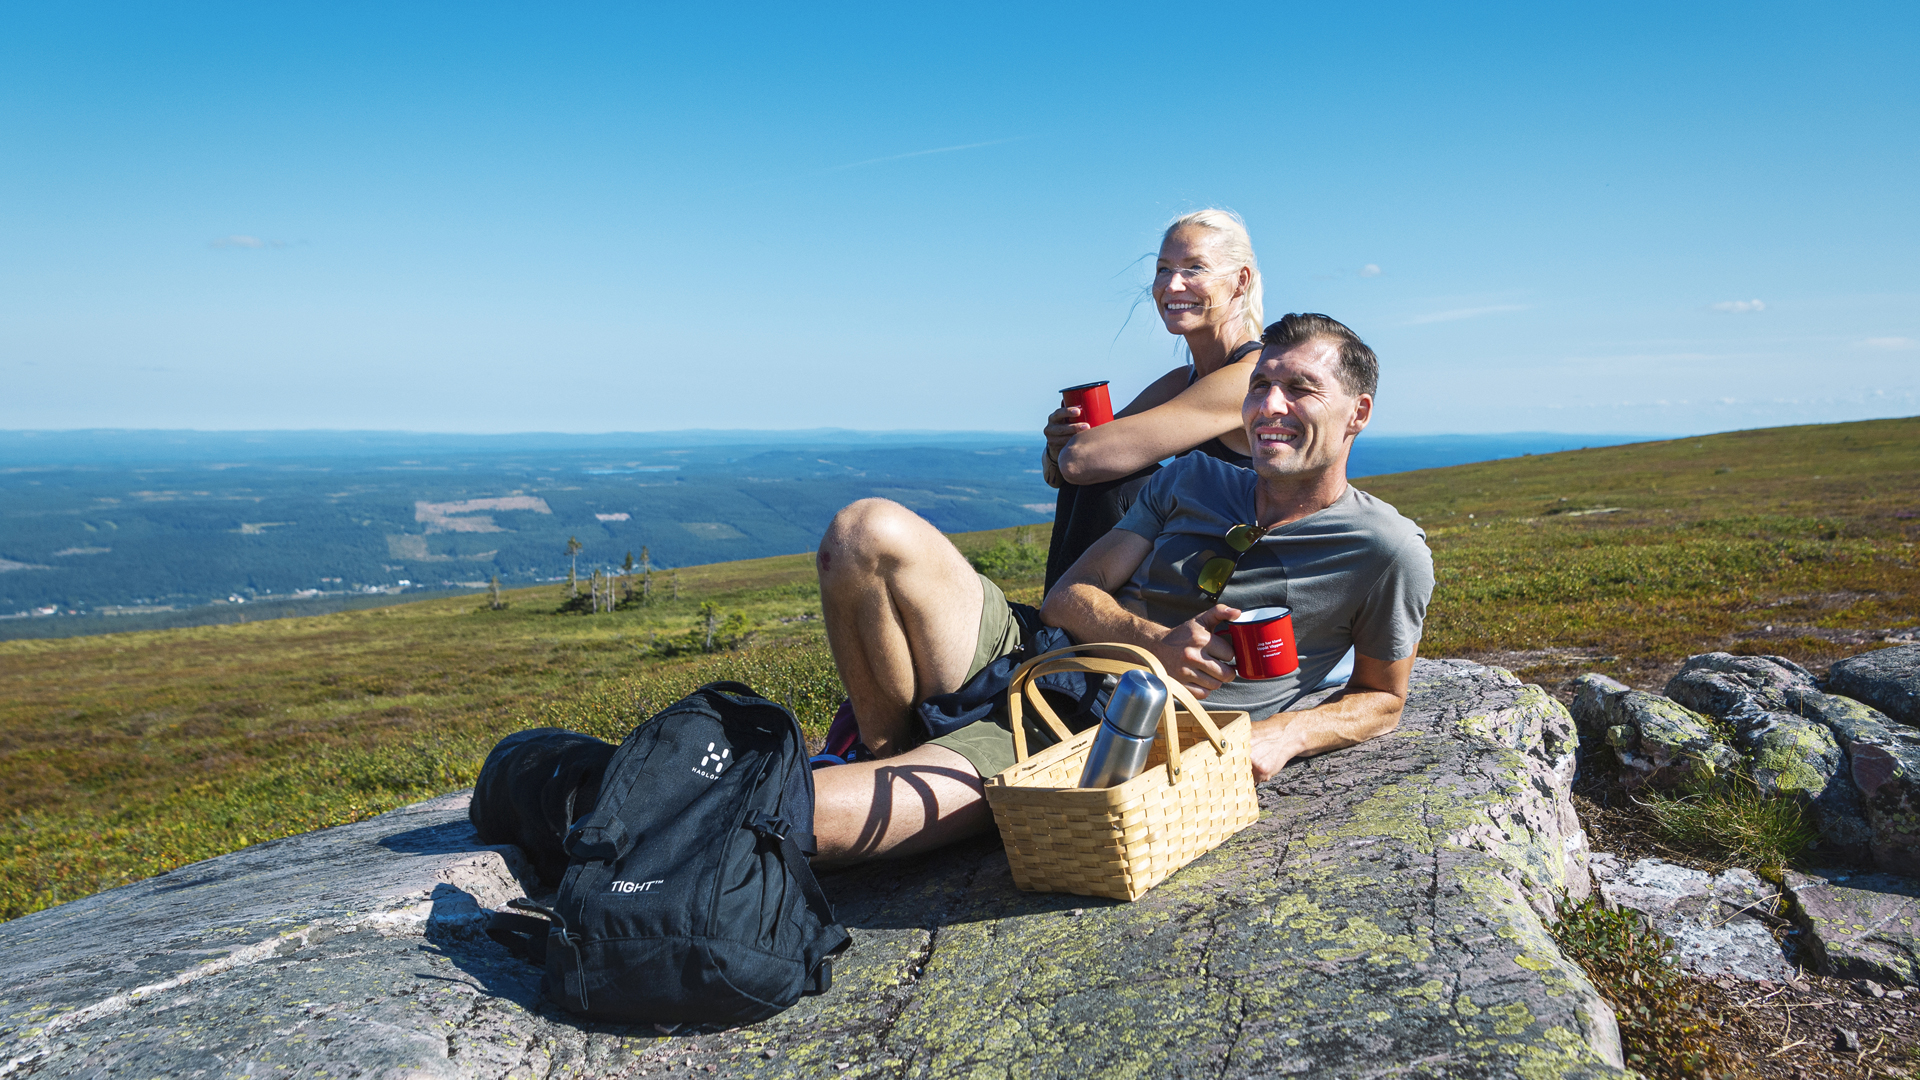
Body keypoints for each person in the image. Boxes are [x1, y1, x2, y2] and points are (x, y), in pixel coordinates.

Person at [810, 313, 1434, 867]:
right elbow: (1071, 593)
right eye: (1260, 385)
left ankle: (892, 781)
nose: (1270, 406)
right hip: (1038, 653)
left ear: (1358, 412)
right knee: (863, 532)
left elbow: (1381, 697)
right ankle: (882, 748)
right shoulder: (1195, 476)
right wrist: (1153, 641)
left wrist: (1287, 733)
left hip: (1097, 728)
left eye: (1300, 389)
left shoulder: (1386, 550)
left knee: (804, 816)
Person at [1043, 209, 1268, 592]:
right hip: (1195, 554)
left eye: (1194, 268)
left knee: (1112, 478)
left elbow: (1084, 461)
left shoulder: (1251, 377)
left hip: (1239, 569)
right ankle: (1061, 621)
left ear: (1239, 281)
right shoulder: (1185, 380)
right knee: (1108, 469)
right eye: (1164, 269)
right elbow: (1063, 471)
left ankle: (1060, 624)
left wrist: (1072, 452)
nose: (1173, 284)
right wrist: (1057, 443)